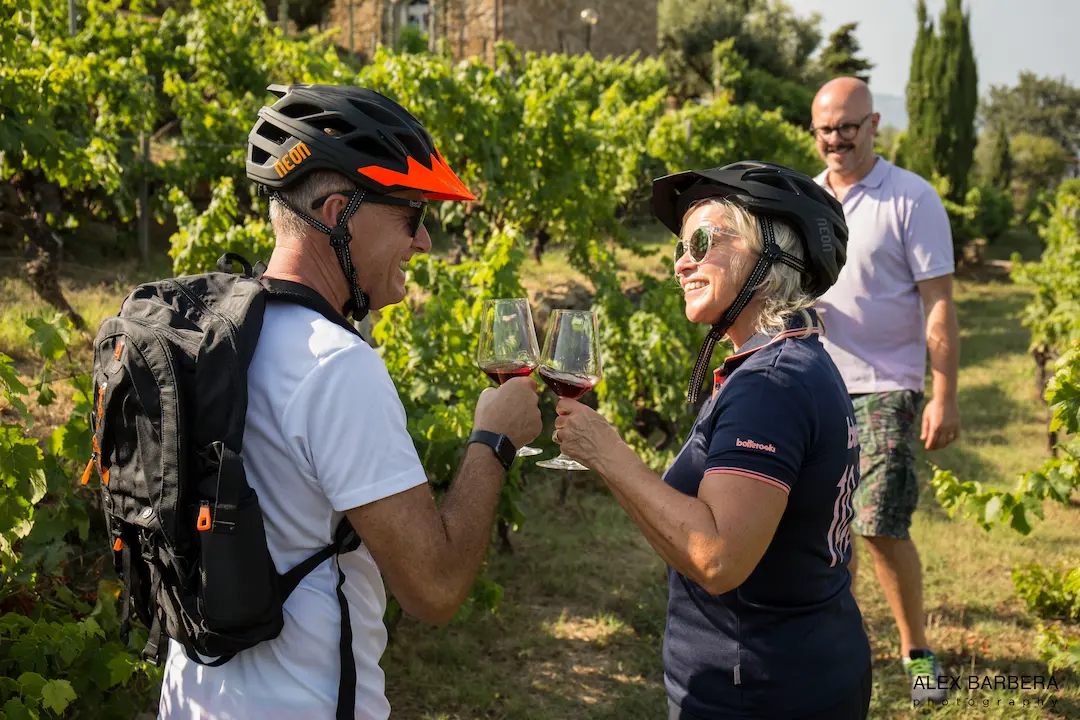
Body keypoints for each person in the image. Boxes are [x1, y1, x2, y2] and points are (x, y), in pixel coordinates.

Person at [157, 84, 543, 719]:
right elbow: (434, 589)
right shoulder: (335, 365)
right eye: (412, 217)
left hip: (192, 700)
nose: (423, 243)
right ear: (339, 213)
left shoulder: (210, 335)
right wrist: (492, 440)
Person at [552, 160, 871, 719]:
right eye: (680, 245)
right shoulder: (799, 363)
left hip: (756, 693)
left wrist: (607, 452)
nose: (681, 262)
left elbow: (718, 556)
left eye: (702, 241)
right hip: (802, 669)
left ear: (768, 253)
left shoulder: (771, 384)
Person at [809, 76, 961, 704]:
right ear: (814, 134)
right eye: (826, 129)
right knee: (821, 528)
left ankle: (915, 652)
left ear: (873, 125)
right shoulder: (807, 199)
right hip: (815, 382)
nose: (838, 138)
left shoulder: (910, 199)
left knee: (879, 525)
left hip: (885, 386)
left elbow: (940, 303)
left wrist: (944, 392)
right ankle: (833, 648)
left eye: (849, 125)